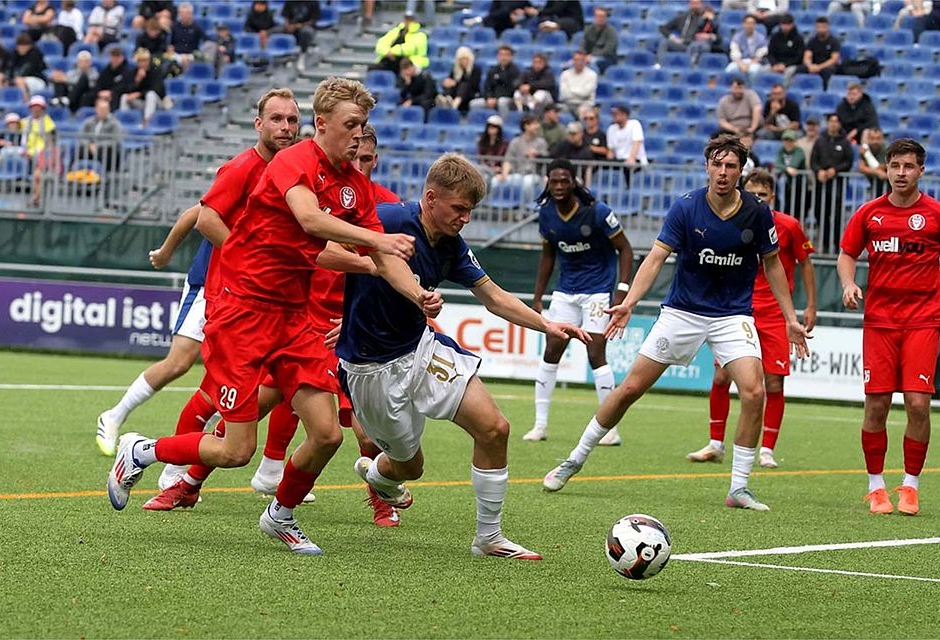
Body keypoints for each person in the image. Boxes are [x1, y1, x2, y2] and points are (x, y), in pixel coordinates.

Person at [106, 78, 418, 557]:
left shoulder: (354, 186)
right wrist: (378, 244)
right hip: (242, 311)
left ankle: (281, 515)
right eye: (350, 124)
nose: (359, 135)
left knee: (328, 433)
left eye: (364, 125)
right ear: (323, 124)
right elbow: (312, 222)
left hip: (293, 317)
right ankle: (142, 451)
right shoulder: (294, 160)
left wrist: (418, 293)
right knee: (235, 451)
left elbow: (380, 258)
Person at [338, 152, 591, 560]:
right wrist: (369, 279)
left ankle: (488, 538)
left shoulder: (451, 245)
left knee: (494, 428)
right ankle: (378, 475)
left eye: (470, 211)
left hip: (419, 348)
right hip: (371, 368)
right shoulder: (386, 219)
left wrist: (547, 325)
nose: (465, 218)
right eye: (459, 208)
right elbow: (323, 250)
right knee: (409, 467)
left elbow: (493, 296)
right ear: (431, 197)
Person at [541, 134, 810, 512]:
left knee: (754, 392)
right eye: (717, 164)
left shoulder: (756, 212)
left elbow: (772, 264)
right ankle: (575, 458)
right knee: (631, 388)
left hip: (733, 315)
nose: (723, 172)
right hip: (682, 312)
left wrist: (790, 318)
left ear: (740, 171)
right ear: (706, 166)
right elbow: (654, 258)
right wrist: (629, 302)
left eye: (731, 166)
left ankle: (739, 488)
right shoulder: (685, 208)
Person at [94, 88, 300, 456]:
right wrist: (168, 251)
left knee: (265, 374)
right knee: (180, 362)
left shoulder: (290, 172)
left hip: (254, 293)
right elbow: (201, 214)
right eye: (277, 119)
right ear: (258, 125)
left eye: (291, 120)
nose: (285, 128)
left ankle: (256, 472)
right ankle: (114, 416)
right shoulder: (243, 167)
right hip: (213, 283)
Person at [837, 138, 940, 517]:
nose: (901, 173)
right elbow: (847, 254)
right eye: (895, 166)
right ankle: (876, 488)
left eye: (908, 166)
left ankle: (910, 486)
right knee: (877, 404)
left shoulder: (938, 215)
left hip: (923, 318)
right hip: (880, 321)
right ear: (886, 169)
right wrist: (848, 283)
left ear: (921, 170)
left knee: (919, 403)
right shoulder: (870, 213)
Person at [688, 168, 816, 469]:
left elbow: (806, 263)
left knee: (773, 383)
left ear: (772, 197)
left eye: (763, 194)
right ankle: (715, 444)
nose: (758, 198)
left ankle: (767, 449)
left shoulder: (789, 226)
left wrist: (810, 305)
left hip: (773, 314)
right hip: (737, 310)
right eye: (753, 193)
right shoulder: (731, 223)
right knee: (721, 376)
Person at [523, 159, 633, 445]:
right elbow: (548, 255)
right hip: (565, 292)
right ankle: (540, 425)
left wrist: (621, 291)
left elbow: (626, 249)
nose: (559, 186)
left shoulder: (597, 212)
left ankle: (610, 429)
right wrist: (538, 296)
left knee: (596, 352)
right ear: (547, 181)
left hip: (597, 291)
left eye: (564, 181)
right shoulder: (546, 214)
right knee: (552, 349)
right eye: (554, 181)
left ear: (574, 182)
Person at [812, 113, 854, 253]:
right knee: (820, 213)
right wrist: (819, 171)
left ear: (840, 124)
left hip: (838, 184)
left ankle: (836, 245)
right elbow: (814, 161)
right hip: (821, 184)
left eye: (836, 121)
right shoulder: (820, 141)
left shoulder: (845, 142)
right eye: (831, 121)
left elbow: (848, 162)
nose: (833, 124)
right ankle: (824, 243)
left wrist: (835, 170)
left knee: (835, 215)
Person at [493, 114, 549, 200]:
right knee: (495, 181)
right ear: (526, 126)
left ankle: (527, 208)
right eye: (534, 124)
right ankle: (496, 206)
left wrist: (537, 155)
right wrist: (504, 175)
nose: (537, 126)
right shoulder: (515, 142)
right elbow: (508, 160)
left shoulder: (541, 142)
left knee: (527, 182)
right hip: (518, 174)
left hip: (535, 175)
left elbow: (546, 160)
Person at [20, 95, 56, 207]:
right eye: (34, 106)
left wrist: (43, 151)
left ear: (43, 108)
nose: (36, 109)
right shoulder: (24, 122)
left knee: (38, 175)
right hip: (25, 151)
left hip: (41, 153)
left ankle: (35, 198)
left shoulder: (47, 121)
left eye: (39, 107)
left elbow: (50, 140)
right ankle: (35, 198)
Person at [120, 48, 168, 126]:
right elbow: (126, 89)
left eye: (144, 60)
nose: (142, 63)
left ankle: (146, 122)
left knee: (151, 95)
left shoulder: (156, 71)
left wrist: (139, 94)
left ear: (149, 60)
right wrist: (137, 80)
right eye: (140, 61)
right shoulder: (133, 72)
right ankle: (124, 122)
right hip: (141, 104)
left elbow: (157, 89)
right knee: (125, 97)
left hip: (157, 103)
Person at [468, 45, 519, 115]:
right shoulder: (493, 70)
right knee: (474, 104)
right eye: (501, 55)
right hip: (492, 99)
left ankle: (504, 123)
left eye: (506, 55)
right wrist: (489, 97)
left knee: (502, 102)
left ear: (511, 57)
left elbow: (512, 89)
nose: (503, 58)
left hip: (508, 99)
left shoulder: (515, 71)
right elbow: (487, 87)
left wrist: (496, 98)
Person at [78, 96, 123, 174]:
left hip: (105, 150)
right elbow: (81, 136)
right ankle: (79, 173)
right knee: (81, 149)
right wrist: (89, 145)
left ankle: (104, 175)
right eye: (101, 109)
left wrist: (98, 146)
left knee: (108, 151)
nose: (103, 111)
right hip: (90, 149)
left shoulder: (114, 123)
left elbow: (116, 141)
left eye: (105, 109)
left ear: (109, 110)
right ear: (96, 109)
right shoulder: (88, 122)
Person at [797, 16, 841, 90]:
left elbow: (834, 59)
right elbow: (807, 56)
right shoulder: (812, 41)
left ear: (828, 27)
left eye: (823, 27)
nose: (821, 29)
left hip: (826, 66)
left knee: (827, 71)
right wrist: (810, 66)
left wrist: (819, 67)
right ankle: (801, 88)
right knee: (800, 69)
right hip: (814, 65)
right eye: (818, 27)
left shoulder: (834, 41)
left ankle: (824, 91)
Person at [435, 46, 480, 114]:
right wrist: (446, 83)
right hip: (455, 92)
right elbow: (451, 80)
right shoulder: (456, 68)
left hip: (469, 94)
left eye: (465, 59)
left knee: (464, 85)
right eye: (461, 59)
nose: (463, 61)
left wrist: (456, 83)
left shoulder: (475, 69)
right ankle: (445, 100)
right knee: (449, 84)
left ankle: (454, 105)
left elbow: (473, 85)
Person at [276, 0, 318, 69]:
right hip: (291, 25)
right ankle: (284, 57)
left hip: (306, 26)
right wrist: (287, 25)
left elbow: (314, 20)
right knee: (276, 31)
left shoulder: (313, 2)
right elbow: (286, 15)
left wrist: (299, 26)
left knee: (306, 32)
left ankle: (302, 55)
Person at [170, 2, 212, 71]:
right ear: (179, 14)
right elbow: (170, 43)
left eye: (187, 13)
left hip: (192, 55)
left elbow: (207, 39)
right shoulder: (174, 27)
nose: (185, 15)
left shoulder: (196, 27)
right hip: (176, 55)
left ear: (191, 14)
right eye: (183, 13)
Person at [7, 32, 47, 102]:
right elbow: (10, 68)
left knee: (19, 81)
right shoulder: (15, 54)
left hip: (38, 80)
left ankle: (26, 102)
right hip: (22, 79)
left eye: (24, 46)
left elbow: (27, 69)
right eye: (20, 46)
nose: (21, 48)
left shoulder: (35, 54)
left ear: (29, 46)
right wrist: (9, 79)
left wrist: (13, 79)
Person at [606, 104, 648, 171]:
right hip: (619, 161)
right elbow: (611, 149)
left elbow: (637, 142)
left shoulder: (634, 124)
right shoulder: (611, 128)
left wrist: (632, 158)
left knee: (629, 167)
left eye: (616, 114)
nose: (613, 116)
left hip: (636, 160)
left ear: (624, 115)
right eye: (612, 114)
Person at [775, 129, 807, 216]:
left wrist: (784, 168)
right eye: (786, 140)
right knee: (785, 209)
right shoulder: (781, 151)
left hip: (800, 186)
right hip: (787, 185)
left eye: (790, 140)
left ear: (795, 141)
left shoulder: (799, 151)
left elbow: (794, 164)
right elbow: (777, 164)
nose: (788, 143)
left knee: (798, 211)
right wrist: (787, 169)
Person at [726, 14, 768, 78]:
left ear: (755, 25)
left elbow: (760, 56)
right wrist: (741, 65)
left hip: (755, 62)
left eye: (752, 23)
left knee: (753, 71)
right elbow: (734, 53)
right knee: (730, 69)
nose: (750, 26)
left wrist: (749, 65)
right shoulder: (737, 37)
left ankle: (751, 87)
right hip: (740, 61)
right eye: (747, 23)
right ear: (743, 24)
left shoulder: (761, 38)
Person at [767, 13, 804, 83]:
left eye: (788, 25)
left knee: (789, 72)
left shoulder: (798, 38)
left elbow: (799, 57)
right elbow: (770, 54)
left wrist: (785, 65)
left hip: (792, 65)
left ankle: (783, 91)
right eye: (783, 24)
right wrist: (774, 64)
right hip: (776, 64)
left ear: (792, 25)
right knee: (762, 70)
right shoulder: (775, 37)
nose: (785, 27)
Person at [558, 50, 597, 117]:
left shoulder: (592, 75)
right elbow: (564, 93)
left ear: (585, 61)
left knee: (583, 111)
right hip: (567, 103)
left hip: (585, 104)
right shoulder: (565, 74)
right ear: (573, 61)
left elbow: (585, 93)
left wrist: (571, 91)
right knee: (554, 111)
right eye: (577, 60)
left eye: (581, 60)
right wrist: (578, 92)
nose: (579, 62)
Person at [582, 6, 618, 73]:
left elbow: (608, 50)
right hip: (588, 57)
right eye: (597, 16)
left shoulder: (611, 32)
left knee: (592, 65)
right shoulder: (588, 29)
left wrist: (592, 55)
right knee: (572, 63)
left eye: (602, 16)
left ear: (606, 18)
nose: (599, 19)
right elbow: (583, 45)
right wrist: (583, 56)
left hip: (606, 59)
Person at [858, 127, 889, 197]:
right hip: (873, 183)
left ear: (882, 139)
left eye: (878, 138)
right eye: (872, 138)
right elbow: (861, 167)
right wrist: (877, 172)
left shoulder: (887, 149)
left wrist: (867, 155)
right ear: (868, 139)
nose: (875, 141)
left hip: (888, 186)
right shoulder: (865, 149)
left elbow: (880, 167)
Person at [476, 114, 508, 183]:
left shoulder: (504, 144)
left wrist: (499, 169)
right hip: (484, 169)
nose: (491, 128)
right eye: (489, 126)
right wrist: (490, 169)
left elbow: (505, 160)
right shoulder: (482, 141)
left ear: (499, 129)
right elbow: (480, 158)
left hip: (498, 171)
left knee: (491, 179)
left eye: (494, 127)